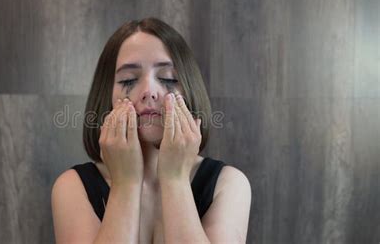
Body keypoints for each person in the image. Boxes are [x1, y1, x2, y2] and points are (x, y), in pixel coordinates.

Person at [51, 17, 251, 243]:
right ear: (105, 96)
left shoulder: (229, 185)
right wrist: (125, 184)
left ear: (189, 89)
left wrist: (175, 179)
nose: (149, 91)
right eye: (128, 80)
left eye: (168, 78)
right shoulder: (72, 187)